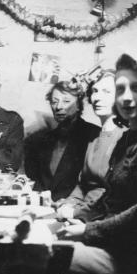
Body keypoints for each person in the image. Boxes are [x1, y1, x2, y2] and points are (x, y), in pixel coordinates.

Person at [58, 50, 137, 274]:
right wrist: (79, 218)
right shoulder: (127, 138)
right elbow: (109, 195)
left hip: (135, 258)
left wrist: (88, 230)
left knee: (35, 253)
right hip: (111, 244)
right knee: (36, 243)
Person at [56, 70, 126, 219]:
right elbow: (82, 184)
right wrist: (68, 204)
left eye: (107, 92)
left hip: (101, 219)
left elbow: (112, 196)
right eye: (95, 91)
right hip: (81, 214)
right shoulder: (94, 137)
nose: (97, 98)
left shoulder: (125, 137)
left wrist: (75, 213)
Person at [24, 81, 100, 201]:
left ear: (79, 105)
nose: (58, 107)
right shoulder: (40, 140)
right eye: (54, 102)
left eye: (66, 101)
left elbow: (95, 186)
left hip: (74, 210)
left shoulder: (95, 135)